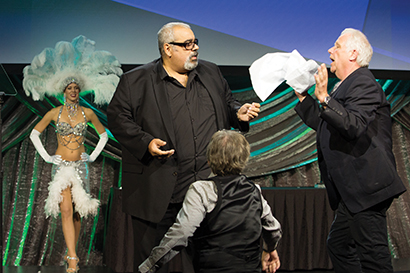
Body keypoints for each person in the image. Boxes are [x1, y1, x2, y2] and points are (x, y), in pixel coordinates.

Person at [107, 22, 261, 272]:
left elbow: (227, 103)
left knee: (206, 262)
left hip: (206, 189)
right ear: (167, 49)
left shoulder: (210, 72)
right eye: (187, 44)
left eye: (195, 42)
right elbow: (117, 117)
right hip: (158, 190)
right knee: (153, 263)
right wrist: (145, 142)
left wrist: (238, 113)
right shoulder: (136, 80)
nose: (195, 48)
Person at [293, 28, 407, 272]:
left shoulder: (364, 83)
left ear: (353, 54)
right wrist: (305, 98)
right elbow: (329, 124)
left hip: (366, 186)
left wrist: (324, 98)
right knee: (339, 246)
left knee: (373, 256)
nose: (330, 51)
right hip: (353, 190)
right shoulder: (345, 86)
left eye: (337, 46)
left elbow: (352, 125)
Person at [138, 130, 282, 273]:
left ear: (209, 159)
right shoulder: (254, 190)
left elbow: (181, 233)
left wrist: (149, 265)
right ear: (244, 158)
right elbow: (273, 229)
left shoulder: (201, 190)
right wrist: (270, 248)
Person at [29, 77, 108, 272]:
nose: (73, 91)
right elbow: (34, 134)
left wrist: (92, 156)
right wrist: (47, 157)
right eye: (69, 88)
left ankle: (70, 251)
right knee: (65, 209)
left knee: (77, 213)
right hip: (62, 167)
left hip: (80, 167)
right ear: (63, 91)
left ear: (79, 91)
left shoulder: (88, 113)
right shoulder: (54, 113)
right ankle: (73, 257)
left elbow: (104, 135)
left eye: (76, 88)